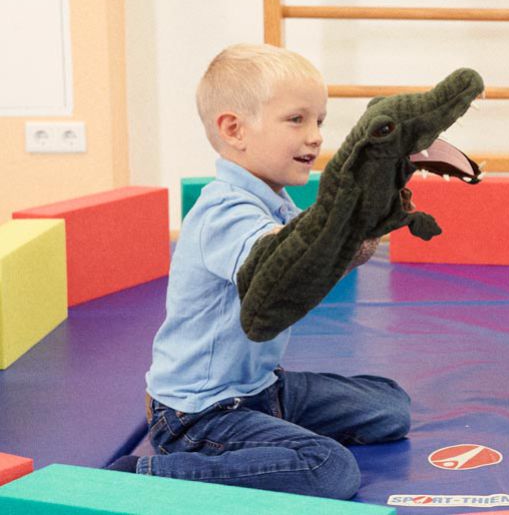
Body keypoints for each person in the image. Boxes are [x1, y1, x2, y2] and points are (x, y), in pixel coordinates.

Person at [106, 43, 410, 499]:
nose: (316, 137)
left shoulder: (274, 204)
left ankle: (261, 433)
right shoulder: (224, 211)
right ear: (234, 129)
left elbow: (329, 262)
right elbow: (280, 267)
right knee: (329, 468)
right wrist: (354, 208)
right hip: (198, 414)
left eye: (320, 121)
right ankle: (147, 474)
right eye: (297, 119)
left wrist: (373, 214)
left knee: (390, 406)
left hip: (262, 389)